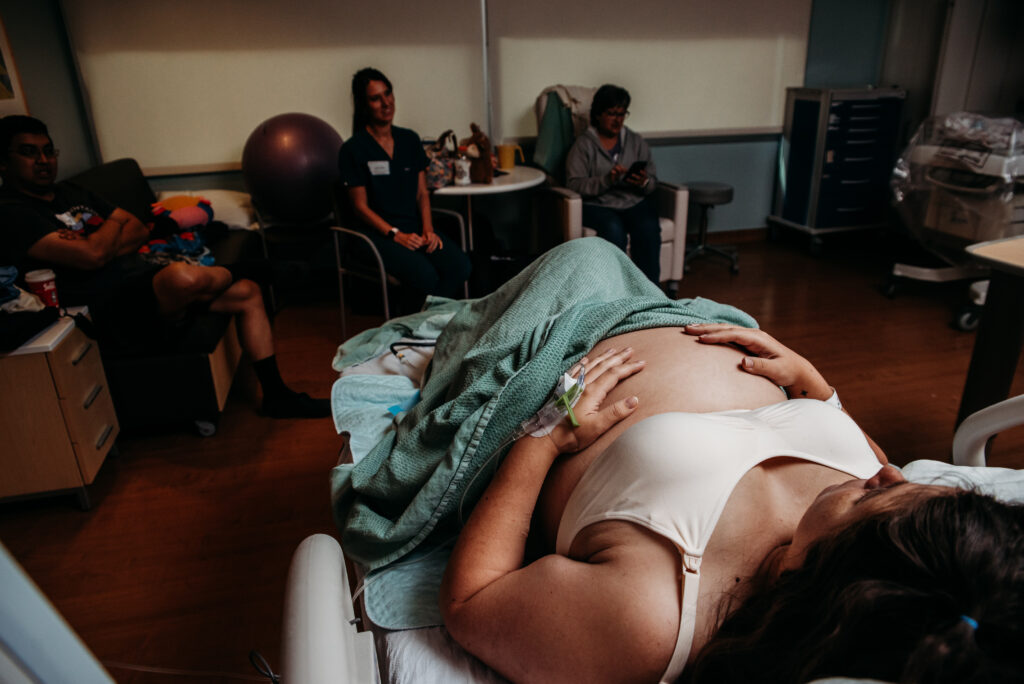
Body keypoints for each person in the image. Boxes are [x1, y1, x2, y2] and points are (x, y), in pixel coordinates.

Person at [439, 323, 1024, 683]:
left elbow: (472, 602)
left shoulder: (653, 621)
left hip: (574, 335)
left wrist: (543, 439)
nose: (890, 472)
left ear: (826, 583)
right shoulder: (878, 522)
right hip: (699, 315)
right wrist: (820, 391)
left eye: (884, 495)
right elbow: (869, 457)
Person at [0, 115, 330, 419]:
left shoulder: (69, 192)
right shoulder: (12, 212)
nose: (43, 161)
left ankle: (277, 396)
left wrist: (101, 236)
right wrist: (111, 228)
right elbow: (92, 257)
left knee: (247, 292)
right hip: (105, 308)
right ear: (4, 160)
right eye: (29, 153)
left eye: (48, 151)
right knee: (182, 276)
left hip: (137, 282)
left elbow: (138, 228)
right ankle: (261, 268)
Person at [337, 67, 471, 310]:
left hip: (415, 228)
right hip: (377, 235)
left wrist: (429, 230)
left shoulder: (409, 140)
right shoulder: (353, 149)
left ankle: (424, 321)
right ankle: (419, 325)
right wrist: (395, 234)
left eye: (388, 94)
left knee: (460, 266)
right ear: (364, 104)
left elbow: (422, 193)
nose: (386, 103)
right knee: (426, 276)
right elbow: (359, 207)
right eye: (376, 98)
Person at [565, 84, 662, 284]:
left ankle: (650, 292)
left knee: (649, 226)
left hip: (631, 201)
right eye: (611, 113)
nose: (617, 119)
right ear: (598, 114)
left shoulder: (636, 142)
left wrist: (643, 182)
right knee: (613, 229)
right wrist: (606, 180)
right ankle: (615, 290)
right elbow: (573, 185)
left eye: (622, 113)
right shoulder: (583, 145)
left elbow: (653, 183)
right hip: (598, 204)